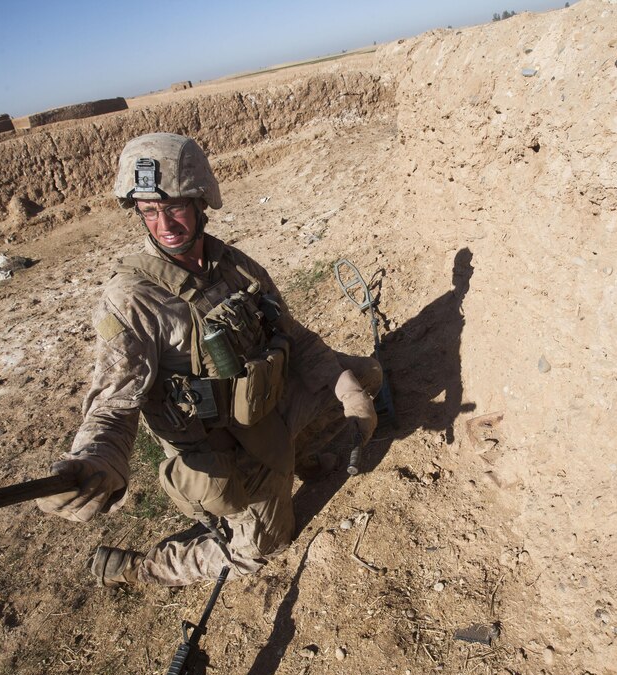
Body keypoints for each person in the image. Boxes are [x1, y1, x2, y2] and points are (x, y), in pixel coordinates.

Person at [37, 132, 381, 587]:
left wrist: (347, 389)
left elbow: (294, 338)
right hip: (223, 452)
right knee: (265, 547)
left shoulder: (233, 264)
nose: (165, 225)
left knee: (367, 376)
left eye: (175, 206)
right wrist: (96, 461)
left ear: (202, 203)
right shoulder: (131, 299)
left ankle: (297, 452)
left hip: (270, 405)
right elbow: (114, 406)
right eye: (149, 211)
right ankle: (141, 568)